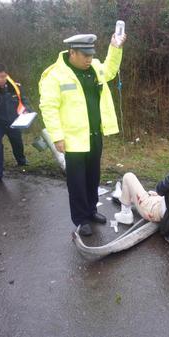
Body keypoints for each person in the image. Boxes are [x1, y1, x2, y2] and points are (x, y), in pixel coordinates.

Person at [39, 32, 126, 236]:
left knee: (92, 177)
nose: (89, 59)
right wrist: (57, 136)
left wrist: (115, 48)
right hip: (73, 140)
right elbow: (48, 107)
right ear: (72, 53)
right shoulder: (55, 75)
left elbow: (111, 70)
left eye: (91, 54)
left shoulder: (94, 67)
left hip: (95, 134)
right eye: (85, 55)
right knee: (77, 181)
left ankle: (91, 210)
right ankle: (80, 219)